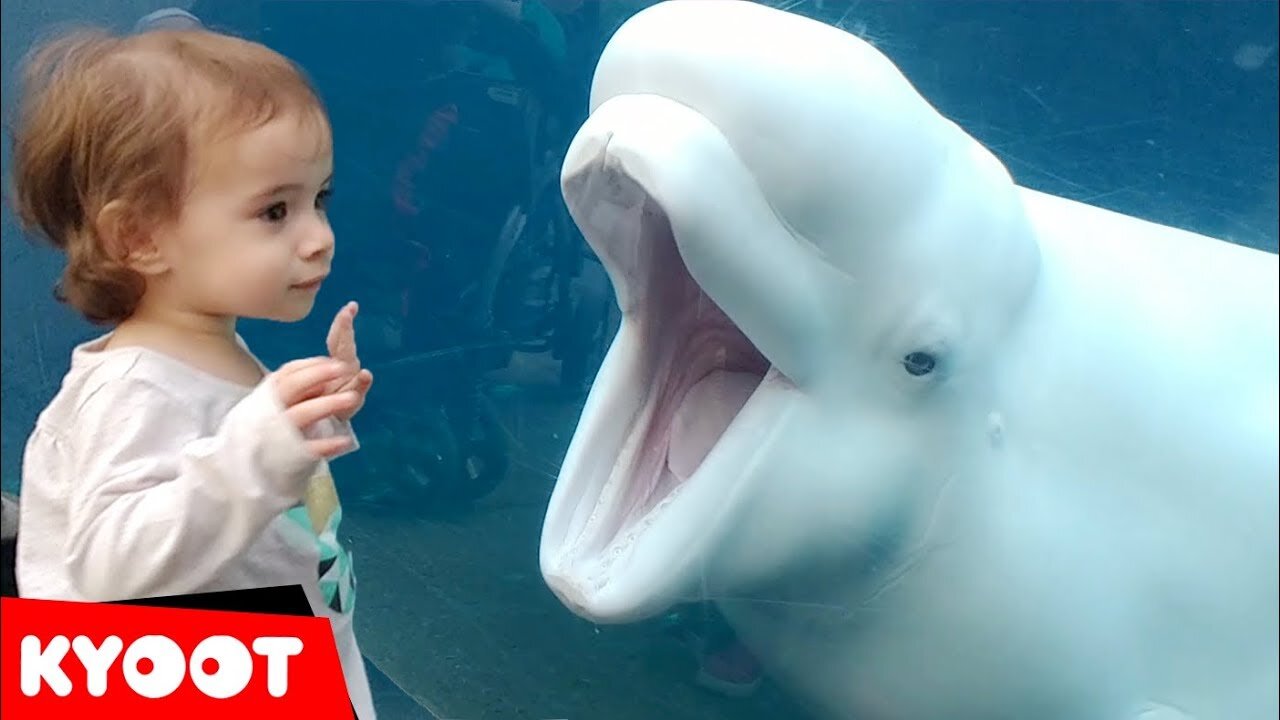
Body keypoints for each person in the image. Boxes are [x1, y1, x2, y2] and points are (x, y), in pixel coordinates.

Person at [9, 26, 378, 718]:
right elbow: (111, 569)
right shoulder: (133, 391)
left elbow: (237, 463)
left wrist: (312, 418)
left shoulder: (210, 346)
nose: (319, 235)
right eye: (276, 210)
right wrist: (258, 456)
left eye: (319, 198)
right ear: (139, 238)